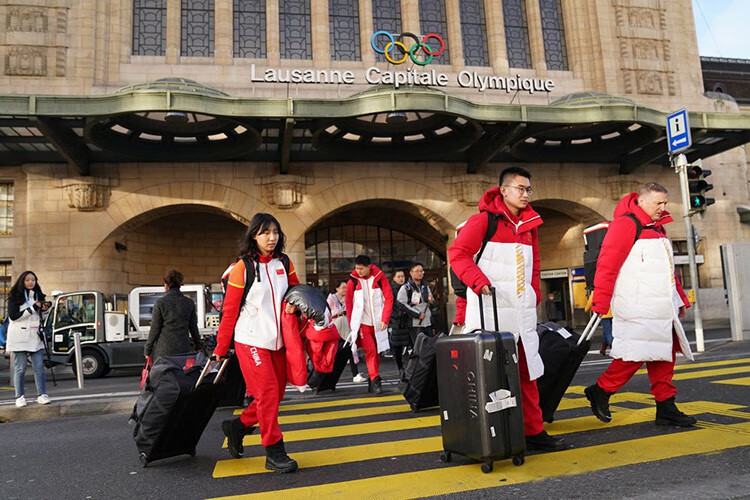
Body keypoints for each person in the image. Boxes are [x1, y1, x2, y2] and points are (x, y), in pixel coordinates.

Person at [449, 166, 565, 452]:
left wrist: (534, 293)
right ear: (503, 190)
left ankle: (534, 431)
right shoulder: (482, 221)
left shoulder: (531, 225)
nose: (526, 194)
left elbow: (534, 264)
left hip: (521, 311)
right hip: (490, 309)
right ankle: (491, 434)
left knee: (527, 371)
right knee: (490, 375)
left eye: (529, 190)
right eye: (521, 189)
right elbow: (457, 255)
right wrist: (479, 282)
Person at [584, 183, 696, 427]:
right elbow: (607, 264)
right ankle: (601, 390)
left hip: (661, 305)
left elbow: (669, 269)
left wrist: (680, 299)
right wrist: (601, 302)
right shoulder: (625, 224)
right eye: (658, 203)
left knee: (664, 354)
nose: (662, 208)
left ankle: (666, 407)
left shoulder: (658, 228)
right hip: (637, 304)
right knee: (634, 354)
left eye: (665, 203)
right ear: (642, 201)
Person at [213, 213, 300, 473]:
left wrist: (297, 307)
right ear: (254, 236)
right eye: (265, 233)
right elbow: (229, 311)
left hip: (279, 341)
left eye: (275, 232)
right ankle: (274, 452)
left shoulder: (284, 262)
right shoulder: (243, 267)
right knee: (268, 394)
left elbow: (295, 294)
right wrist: (220, 348)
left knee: (274, 396)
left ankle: (237, 427)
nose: (271, 238)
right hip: (250, 339)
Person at [345, 254, 393, 395]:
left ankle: (373, 381)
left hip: (378, 323)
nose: (358, 271)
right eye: (356, 268)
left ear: (368, 267)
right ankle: (375, 379)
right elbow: (348, 304)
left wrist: (385, 318)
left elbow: (389, 297)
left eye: (361, 268)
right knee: (370, 350)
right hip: (363, 323)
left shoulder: (379, 277)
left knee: (377, 352)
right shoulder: (352, 282)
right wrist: (352, 324)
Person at [6, 271, 51, 407]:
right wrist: (33, 308)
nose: (31, 282)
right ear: (22, 281)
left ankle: (42, 394)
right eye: (27, 280)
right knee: (20, 368)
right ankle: (19, 396)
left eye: (33, 280)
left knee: (39, 367)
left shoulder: (38, 296)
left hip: (35, 336)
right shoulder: (14, 297)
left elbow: (43, 312)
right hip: (19, 337)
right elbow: (14, 316)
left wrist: (46, 307)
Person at [143, 269, 203, 361]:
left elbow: (155, 328)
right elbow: (193, 327)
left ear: (166, 285)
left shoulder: (160, 303)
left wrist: (147, 350)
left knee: (164, 375)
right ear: (179, 285)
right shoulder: (189, 303)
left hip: (163, 351)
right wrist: (198, 346)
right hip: (183, 349)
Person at [327, 279, 366, 383]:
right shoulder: (331, 299)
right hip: (336, 327)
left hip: (347, 327)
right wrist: (339, 313)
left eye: (347, 288)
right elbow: (328, 314)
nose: (345, 290)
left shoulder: (349, 298)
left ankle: (355, 373)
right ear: (337, 288)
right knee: (337, 351)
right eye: (343, 287)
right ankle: (329, 375)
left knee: (350, 348)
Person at [397, 263, 434, 345]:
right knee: (418, 347)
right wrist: (417, 314)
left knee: (429, 347)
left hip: (427, 322)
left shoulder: (425, 287)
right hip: (415, 323)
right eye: (417, 271)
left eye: (421, 271)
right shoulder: (406, 288)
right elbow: (401, 304)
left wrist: (431, 301)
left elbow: (431, 304)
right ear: (411, 273)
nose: (420, 273)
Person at [388, 269, 409, 380]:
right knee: (398, 347)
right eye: (399, 276)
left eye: (403, 276)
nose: (402, 278)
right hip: (397, 322)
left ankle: (408, 369)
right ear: (394, 278)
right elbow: (389, 306)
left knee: (411, 344)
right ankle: (400, 367)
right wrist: (396, 316)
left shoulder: (407, 288)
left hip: (408, 320)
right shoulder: (391, 290)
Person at [584, 290, 613, 356]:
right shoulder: (610, 289)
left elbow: (591, 301)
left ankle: (613, 348)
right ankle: (603, 349)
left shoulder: (596, 291)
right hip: (613, 313)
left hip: (603, 314)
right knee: (607, 331)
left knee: (608, 332)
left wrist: (586, 309)